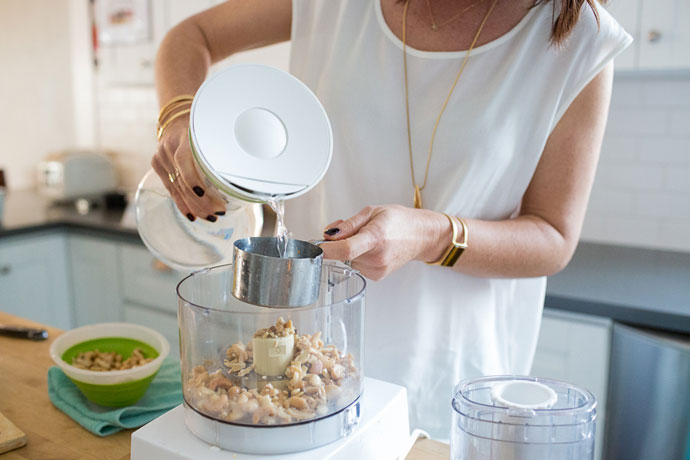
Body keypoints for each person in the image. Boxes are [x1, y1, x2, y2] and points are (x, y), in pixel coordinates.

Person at [152, 0, 631, 439]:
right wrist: (178, 119)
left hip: (450, 375)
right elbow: (191, 36)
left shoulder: (580, 41)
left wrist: (430, 235)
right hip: (299, 369)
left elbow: (553, 237)